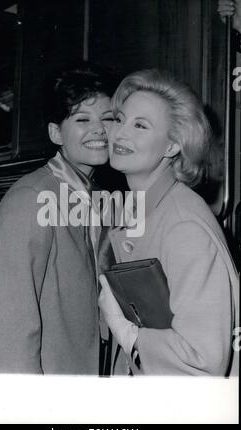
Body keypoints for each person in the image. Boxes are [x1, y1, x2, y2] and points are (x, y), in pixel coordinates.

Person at [0, 62, 117, 374]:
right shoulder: (31, 198)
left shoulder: (94, 196)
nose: (99, 129)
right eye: (82, 119)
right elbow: (8, 330)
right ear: (56, 133)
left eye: (108, 118)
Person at [99, 69, 239, 376]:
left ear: (172, 146)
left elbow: (202, 357)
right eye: (120, 119)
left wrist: (126, 331)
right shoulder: (142, 209)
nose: (120, 134)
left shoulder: (183, 226)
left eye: (141, 126)